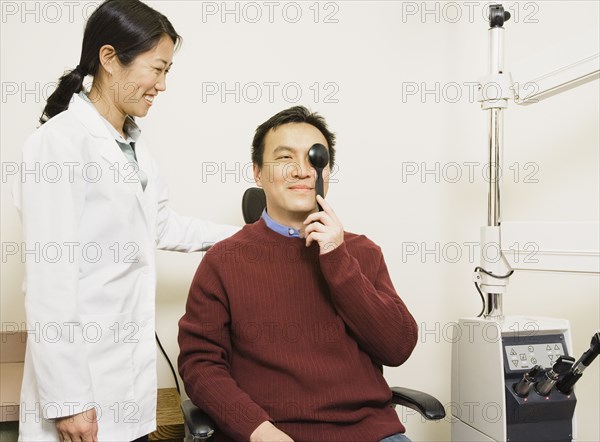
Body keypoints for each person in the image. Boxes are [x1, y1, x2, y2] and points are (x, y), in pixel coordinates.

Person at [12, 1, 237, 441]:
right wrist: (69, 401)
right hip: (79, 391)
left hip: (123, 384)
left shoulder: (131, 146)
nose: (163, 85)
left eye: (168, 71)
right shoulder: (58, 145)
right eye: (157, 69)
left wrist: (247, 234)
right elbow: (49, 280)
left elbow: (159, 226)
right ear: (110, 58)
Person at [178, 106, 418, 442]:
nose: (301, 171)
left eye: (314, 159)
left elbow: (398, 348)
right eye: (285, 158)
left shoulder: (362, 253)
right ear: (258, 173)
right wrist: (259, 431)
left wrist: (337, 258)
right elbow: (200, 365)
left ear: (327, 171)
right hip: (271, 434)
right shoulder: (224, 260)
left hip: (368, 434)